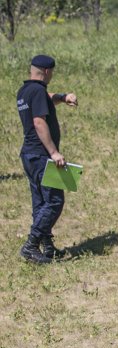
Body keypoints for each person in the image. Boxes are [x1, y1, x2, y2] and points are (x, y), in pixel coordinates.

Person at [16, 54, 78, 264]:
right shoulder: (38, 91)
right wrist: (54, 152)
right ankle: (31, 246)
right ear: (48, 72)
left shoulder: (25, 91)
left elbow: (47, 96)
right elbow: (39, 122)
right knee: (54, 201)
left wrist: (62, 97)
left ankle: (47, 247)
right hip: (42, 156)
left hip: (29, 154)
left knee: (40, 202)